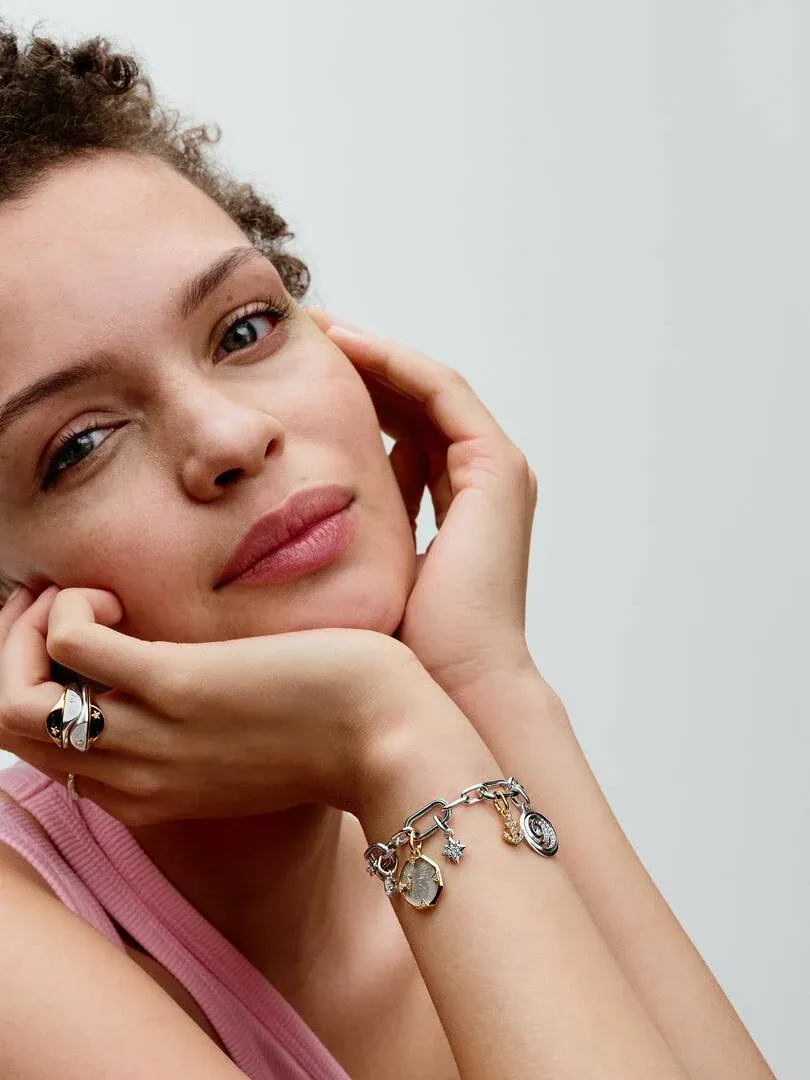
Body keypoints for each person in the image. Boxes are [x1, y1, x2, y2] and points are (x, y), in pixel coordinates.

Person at [0, 22, 774, 1080]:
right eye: (79, 445)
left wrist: (483, 683)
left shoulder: (443, 776)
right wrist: (398, 737)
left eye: (243, 330)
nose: (230, 439)